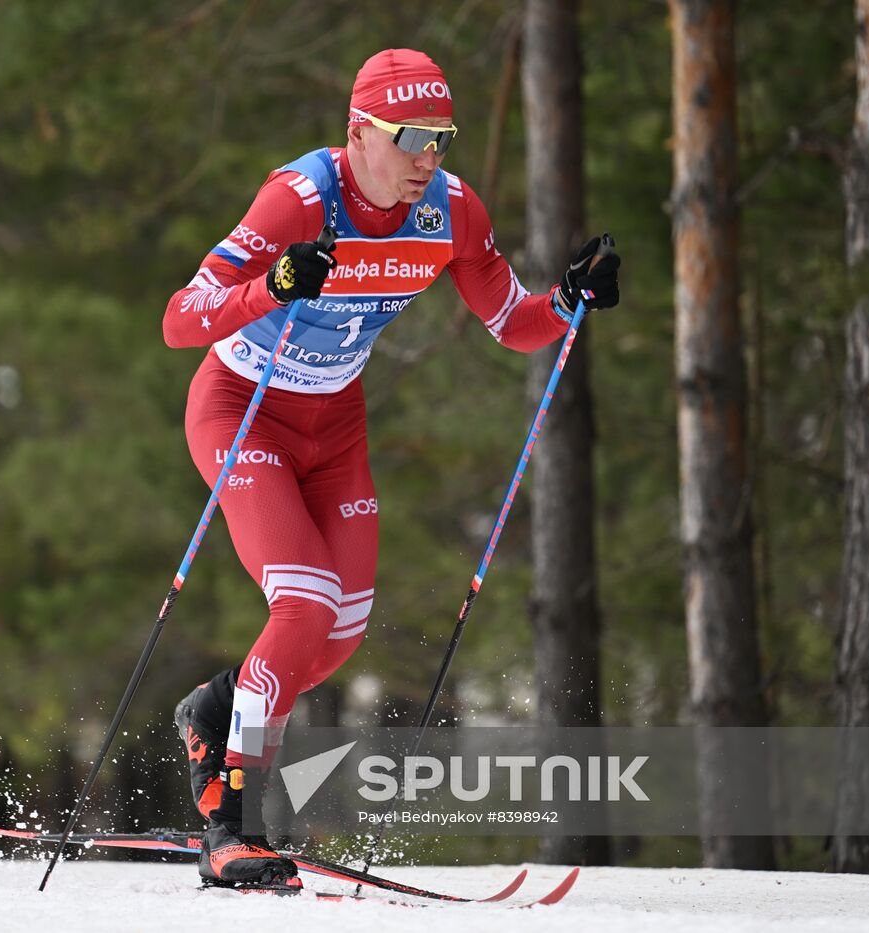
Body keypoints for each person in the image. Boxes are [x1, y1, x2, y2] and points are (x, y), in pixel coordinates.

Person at [163, 48, 620, 887]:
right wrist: (271, 284)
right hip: (242, 404)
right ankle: (230, 825)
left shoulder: (451, 211)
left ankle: (215, 708)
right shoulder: (300, 197)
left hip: (335, 426)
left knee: (331, 641)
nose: (427, 158)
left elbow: (513, 324)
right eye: (409, 136)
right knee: (301, 608)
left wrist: (569, 297)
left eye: (441, 138)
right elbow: (180, 318)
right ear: (358, 132)